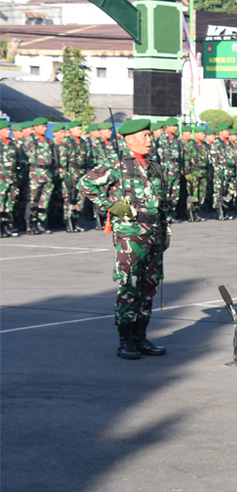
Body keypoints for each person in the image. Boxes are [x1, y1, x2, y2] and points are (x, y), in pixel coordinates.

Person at [78, 118, 169, 360]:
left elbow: (162, 202)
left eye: (150, 135)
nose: (150, 140)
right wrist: (111, 205)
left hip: (154, 232)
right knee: (129, 286)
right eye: (145, 136)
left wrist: (166, 229)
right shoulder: (115, 164)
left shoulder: (154, 165)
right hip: (130, 235)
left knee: (149, 287)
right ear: (129, 140)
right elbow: (85, 184)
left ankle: (141, 337)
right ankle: (126, 340)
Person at [23, 117, 55, 234]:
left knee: (44, 200)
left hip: (47, 174)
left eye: (46, 126)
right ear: (35, 127)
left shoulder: (49, 141)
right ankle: (30, 223)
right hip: (35, 174)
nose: (45, 129)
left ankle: (41, 223)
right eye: (42, 126)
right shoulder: (29, 141)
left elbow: (53, 158)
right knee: (33, 200)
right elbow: (24, 159)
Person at [0, 119, 19, 237]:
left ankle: (6, 225)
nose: (8, 132)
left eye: (9, 130)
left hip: (12, 176)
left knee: (10, 202)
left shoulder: (12, 143)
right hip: (1, 177)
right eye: (6, 130)